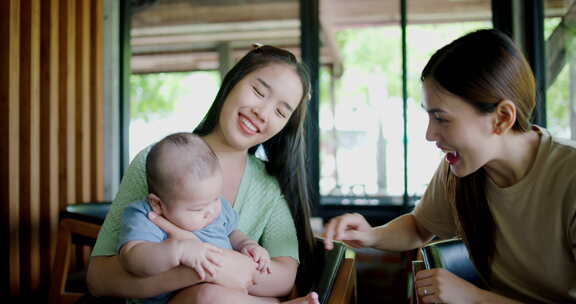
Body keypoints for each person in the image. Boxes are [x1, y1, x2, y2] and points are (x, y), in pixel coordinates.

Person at [324, 29, 576, 303]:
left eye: (441, 118)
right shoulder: (461, 170)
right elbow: (420, 227)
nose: (429, 134)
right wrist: (371, 235)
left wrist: (476, 299)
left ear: (502, 118)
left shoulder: (569, 177)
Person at [87, 45, 319, 304]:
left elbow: (284, 275)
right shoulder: (159, 162)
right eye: (258, 91)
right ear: (233, 80)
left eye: (280, 112)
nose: (262, 113)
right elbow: (99, 278)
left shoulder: (268, 186)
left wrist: (237, 262)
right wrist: (209, 269)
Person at [118, 132, 273, 303]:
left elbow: (231, 233)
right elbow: (132, 258)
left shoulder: (216, 209)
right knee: (213, 296)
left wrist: (247, 245)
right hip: (177, 298)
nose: (211, 211)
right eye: (198, 208)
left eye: (215, 198)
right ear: (158, 204)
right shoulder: (147, 216)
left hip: (228, 288)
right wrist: (179, 251)